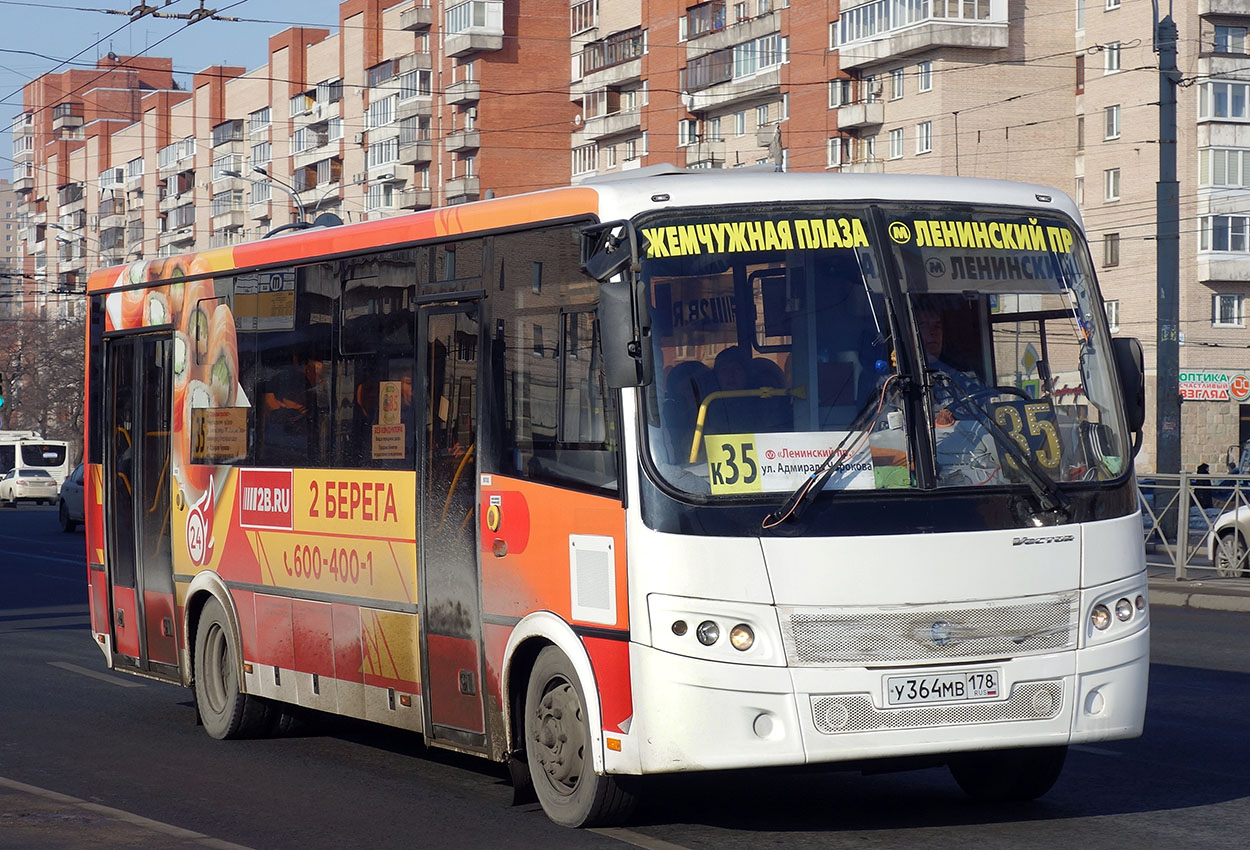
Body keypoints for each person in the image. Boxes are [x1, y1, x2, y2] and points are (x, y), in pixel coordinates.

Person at [914, 302, 1003, 487]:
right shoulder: (895, 385)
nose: (932, 333)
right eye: (923, 326)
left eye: (937, 326)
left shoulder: (962, 376)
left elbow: (990, 413)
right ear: (910, 333)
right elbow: (894, 427)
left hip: (976, 465)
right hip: (930, 473)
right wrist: (934, 422)